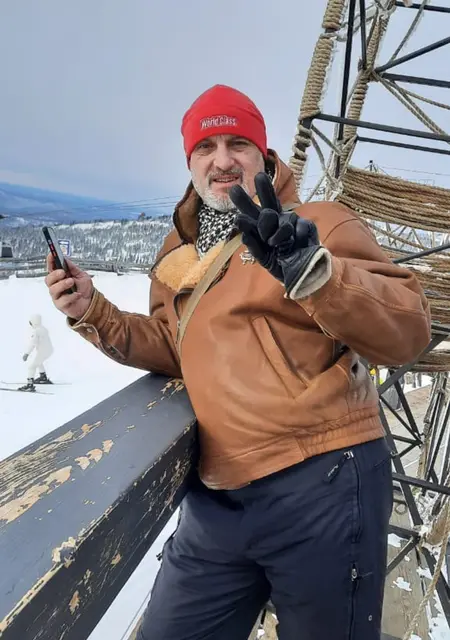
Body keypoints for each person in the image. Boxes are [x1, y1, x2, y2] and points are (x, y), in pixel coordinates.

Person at [45, 85, 431, 640]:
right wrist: (92, 311)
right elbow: (176, 347)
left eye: (237, 144)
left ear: (263, 155)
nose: (222, 160)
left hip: (320, 479)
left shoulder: (319, 222)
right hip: (216, 497)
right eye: (205, 147)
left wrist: (318, 274)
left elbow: (408, 331)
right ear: (190, 162)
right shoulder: (180, 254)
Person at [20, 313, 54, 391]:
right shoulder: (43, 329)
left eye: (31, 322)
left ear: (34, 322)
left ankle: (30, 385)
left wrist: (27, 354)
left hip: (43, 352)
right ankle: (43, 377)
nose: (30, 324)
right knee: (38, 362)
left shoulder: (36, 331)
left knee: (31, 367)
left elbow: (32, 344)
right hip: (48, 350)